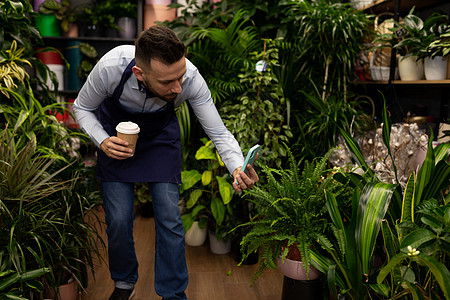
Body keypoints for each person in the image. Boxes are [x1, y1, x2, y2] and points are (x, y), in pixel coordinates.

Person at [73, 25, 259, 300]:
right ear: (140, 73)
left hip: (160, 139)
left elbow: (218, 132)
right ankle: (124, 283)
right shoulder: (111, 67)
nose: (178, 87)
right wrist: (102, 140)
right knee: (119, 220)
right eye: (167, 82)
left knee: (170, 218)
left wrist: (236, 167)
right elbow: (82, 107)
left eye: (180, 77)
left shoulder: (190, 78)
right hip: (116, 139)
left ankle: (172, 293)